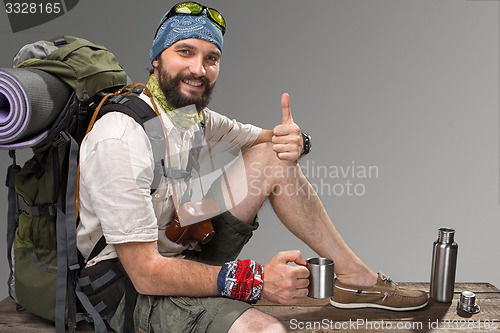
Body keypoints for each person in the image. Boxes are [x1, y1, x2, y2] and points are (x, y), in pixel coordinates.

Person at [76, 2, 429, 332]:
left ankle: (358, 280)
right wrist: (253, 280)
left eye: (211, 58)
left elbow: (268, 140)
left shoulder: (191, 118)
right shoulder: (120, 139)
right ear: (156, 59)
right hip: (128, 288)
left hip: (181, 246)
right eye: (184, 52)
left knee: (273, 157)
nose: (198, 69)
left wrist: (299, 141)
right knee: (267, 329)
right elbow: (145, 274)